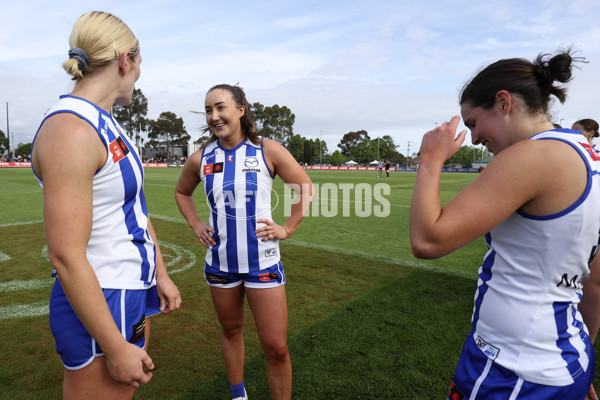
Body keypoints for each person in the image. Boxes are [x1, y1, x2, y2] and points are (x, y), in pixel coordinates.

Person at [410, 48, 599, 399]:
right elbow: (595, 281)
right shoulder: (589, 155)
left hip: (514, 369)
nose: (475, 137)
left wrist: (431, 158)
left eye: (473, 123)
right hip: (564, 356)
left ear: (503, 102)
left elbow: (427, 241)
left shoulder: (533, 155)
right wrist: (578, 362)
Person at [31, 11, 181, 399]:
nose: (139, 72)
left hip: (126, 288)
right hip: (104, 292)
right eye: (139, 62)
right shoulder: (71, 130)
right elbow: (65, 254)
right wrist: (114, 347)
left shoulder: (103, 121)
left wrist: (159, 274)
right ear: (123, 60)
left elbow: (133, 210)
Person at [174, 84, 314, 400]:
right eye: (208, 110)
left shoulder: (268, 150)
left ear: (241, 110)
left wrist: (288, 228)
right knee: (231, 330)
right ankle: (239, 395)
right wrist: (196, 223)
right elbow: (182, 192)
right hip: (220, 265)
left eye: (220, 107)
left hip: (262, 264)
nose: (214, 115)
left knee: (276, 347)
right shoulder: (201, 158)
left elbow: (304, 188)